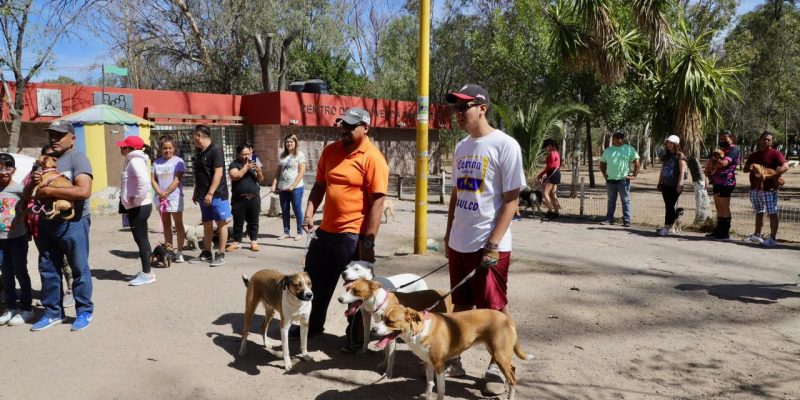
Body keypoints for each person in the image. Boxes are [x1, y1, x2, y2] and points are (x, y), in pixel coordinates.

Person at [443, 84, 525, 397]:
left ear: (482, 108)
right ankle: (455, 355)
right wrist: (450, 231)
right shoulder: (462, 147)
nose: (458, 113)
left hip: (489, 244)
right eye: (456, 107)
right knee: (462, 303)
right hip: (460, 241)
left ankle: (499, 364)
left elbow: (511, 200)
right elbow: (456, 194)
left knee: (494, 307)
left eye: (464, 106)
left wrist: (493, 242)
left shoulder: (505, 145)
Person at [298, 107, 389, 351]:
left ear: (365, 128)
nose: (345, 130)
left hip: (352, 236)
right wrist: (309, 212)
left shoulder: (372, 157)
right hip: (325, 231)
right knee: (314, 280)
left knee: (356, 290)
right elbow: (319, 185)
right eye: (343, 125)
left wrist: (367, 243)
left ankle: (355, 335)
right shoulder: (330, 151)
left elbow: (378, 202)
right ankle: (313, 325)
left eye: (351, 126)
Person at [30, 120, 94, 331]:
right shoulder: (46, 160)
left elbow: (84, 191)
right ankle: (52, 312)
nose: (54, 139)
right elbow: (31, 190)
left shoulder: (78, 159)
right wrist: (35, 180)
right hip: (47, 223)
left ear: (72, 139)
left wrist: (50, 191)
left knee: (78, 268)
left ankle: (84, 311)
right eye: (52, 135)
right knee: (48, 268)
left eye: (59, 135)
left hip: (73, 224)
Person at [0, 153, 34, 326]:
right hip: (1, 240)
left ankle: (27, 308)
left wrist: (24, 216)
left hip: (17, 238)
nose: (4, 171)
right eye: (1, 167)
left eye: (8, 167)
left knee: (20, 271)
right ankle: (11, 307)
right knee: (6, 274)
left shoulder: (20, 189)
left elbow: (32, 205)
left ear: (14, 170)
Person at [117, 136, 156, 286]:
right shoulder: (133, 160)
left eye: (124, 147)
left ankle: (147, 274)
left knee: (141, 240)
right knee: (141, 239)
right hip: (137, 206)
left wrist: (136, 198)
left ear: (131, 149)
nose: (121, 149)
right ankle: (146, 271)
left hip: (139, 207)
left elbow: (145, 182)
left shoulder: (134, 161)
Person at [191, 124, 231, 267]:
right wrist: (197, 192)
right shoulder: (200, 152)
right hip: (203, 195)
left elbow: (218, 173)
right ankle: (206, 253)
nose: (192, 139)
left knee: (221, 224)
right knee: (207, 224)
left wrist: (210, 193)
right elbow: (201, 174)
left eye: (193, 136)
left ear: (199, 135)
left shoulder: (216, 150)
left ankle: (220, 254)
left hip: (217, 195)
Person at [742, 131, 789, 247]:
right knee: (759, 212)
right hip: (755, 189)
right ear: (760, 140)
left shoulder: (775, 153)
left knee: (772, 213)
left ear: (772, 141)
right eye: (764, 139)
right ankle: (757, 236)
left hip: (769, 189)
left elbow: (785, 166)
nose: (766, 141)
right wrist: (753, 168)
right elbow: (745, 169)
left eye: (769, 139)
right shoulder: (754, 154)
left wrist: (772, 176)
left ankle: (772, 238)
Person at [152, 136, 186, 262]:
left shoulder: (179, 161)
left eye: (170, 148)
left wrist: (165, 192)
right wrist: (159, 193)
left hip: (175, 197)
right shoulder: (156, 162)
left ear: (174, 148)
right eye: (165, 148)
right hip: (161, 198)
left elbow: (177, 179)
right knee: (166, 224)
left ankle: (180, 252)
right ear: (161, 149)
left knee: (178, 224)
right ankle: (169, 250)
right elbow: (153, 179)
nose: (167, 150)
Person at [599, 130, 640, 227]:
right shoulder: (608, 151)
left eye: (621, 137)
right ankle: (609, 219)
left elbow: (637, 162)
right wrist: (605, 176)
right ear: (613, 138)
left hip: (623, 180)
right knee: (611, 200)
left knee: (625, 200)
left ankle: (626, 220)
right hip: (610, 180)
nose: (619, 139)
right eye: (617, 137)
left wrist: (634, 175)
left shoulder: (629, 149)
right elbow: (602, 164)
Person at [704, 130, 739, 240]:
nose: (723, 140)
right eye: (722, 139)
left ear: (732, 138)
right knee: (718, 207)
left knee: (724, 207)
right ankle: (718, 230)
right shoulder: (722, 150)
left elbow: (723, 164)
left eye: (725, 138)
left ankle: (725, 232)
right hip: (716, 181)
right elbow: (710, 164)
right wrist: (711, 166)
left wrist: (712, 163)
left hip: (726, 182)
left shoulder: (734, 150)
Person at [227, 143, 264, 251]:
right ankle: (236, 242)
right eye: (243, 154)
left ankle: (254, 241)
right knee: (238, 221)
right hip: (239, 199)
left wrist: (258, 171)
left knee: (254, 221)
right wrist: (246, 167)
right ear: (238, 154)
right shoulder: (234, 164)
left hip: (254, 197)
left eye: (248, 153)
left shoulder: (255, 159)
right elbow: (234, 176)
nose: (246, 156)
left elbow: (261, 179)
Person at [271, 134, 307, 240]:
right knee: (285, 210)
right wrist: (274, 184)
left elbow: (302, 172)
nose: (289, 144)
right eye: (287, 142)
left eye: (291, 141)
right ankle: (286, 232)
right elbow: (278, 172)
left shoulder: (300, 155)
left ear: (295, 143)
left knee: (297, 209)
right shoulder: (282, 155)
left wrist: (293, 185)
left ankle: (299, 232)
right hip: (283, 188)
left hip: (296, 188)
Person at [656, 135, 687, 236]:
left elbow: (682, 171)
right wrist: (659, 182)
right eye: (668, 143)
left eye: (671, 143)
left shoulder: (680, 156)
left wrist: (680, 184)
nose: (669, 145)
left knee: (670, 205)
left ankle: (667, 227)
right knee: (668, 206)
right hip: (665, 184)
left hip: (675, 185)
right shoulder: (666, 156)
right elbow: (662, 170)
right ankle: (671, 225)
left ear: (676, 144)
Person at [536, 138, 561, 220]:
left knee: (545, 193)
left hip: (552, 174)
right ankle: (556, 212)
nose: (545, 149)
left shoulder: (551, 154)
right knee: (553, 194)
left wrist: (541, 174)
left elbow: (549, 167)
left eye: (546, 147)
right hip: (557, 173)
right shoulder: (556, 153)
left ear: (550, 146)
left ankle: (550, 211)